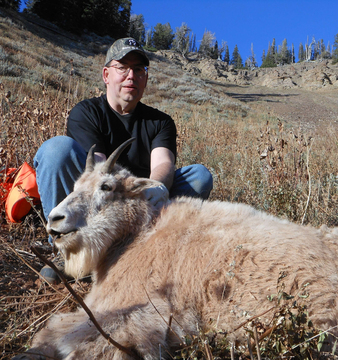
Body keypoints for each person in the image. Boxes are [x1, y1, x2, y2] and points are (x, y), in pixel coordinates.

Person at [34, 37, 213, 282]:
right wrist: (119, 188)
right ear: (106, 75)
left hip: (141, 200)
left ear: (146, 78)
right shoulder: (86, 113)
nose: (131, 76)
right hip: (102, 197)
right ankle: (66, 247)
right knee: (56, 150)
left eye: (139, 69)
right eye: (123, 68)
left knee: (199, 177)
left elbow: (163, 163)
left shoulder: (160, 122)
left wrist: (157, 187)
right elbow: (98, 170)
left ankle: (150, 246)